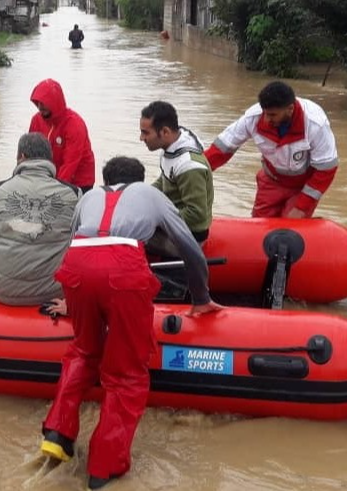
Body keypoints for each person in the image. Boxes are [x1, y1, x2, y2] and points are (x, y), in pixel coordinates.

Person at [39, 156, 221, 490]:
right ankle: (104, 467)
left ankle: (57, 432)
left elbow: (73, 246)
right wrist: (200, 297)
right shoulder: (149, 195)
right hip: (123, 268)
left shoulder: (88, 196)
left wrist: (71, 297)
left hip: (77, 268)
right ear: (139, 180)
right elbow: (188, 246)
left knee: (82, 349)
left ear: (106, 179)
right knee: (126, 373)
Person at [0, 132, 80, 306]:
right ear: (49, 159)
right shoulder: (73, 193)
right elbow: (78, 242)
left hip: (0, 288)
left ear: (21, 157)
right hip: (53, 291)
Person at [204, 81, 339, 218]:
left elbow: (326, 169)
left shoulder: (315, 123)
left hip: (302, 187)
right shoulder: (253, 118)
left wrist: (302, 206)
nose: (267, 119)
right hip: (271, 181)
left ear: (290, 109)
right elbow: (222, 149)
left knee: (289, 230)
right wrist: (194, 169)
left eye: (273, 115)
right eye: (265, 113)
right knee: (259, 225)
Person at [139, 101, 214, 242]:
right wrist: (142, 196)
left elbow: (196, 214)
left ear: (165, 132)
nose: (141, 138)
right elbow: (164, 181)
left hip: (190, 234)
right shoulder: (169, 149)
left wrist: (156, 219)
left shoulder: (189, 166)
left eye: (145, 133)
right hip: (176, 221)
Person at [28, 79, 96, 192]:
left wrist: (54, 189)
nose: (40, 107)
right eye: (37, 102)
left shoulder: (74, 124)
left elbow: (70, 163)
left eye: (43, 103)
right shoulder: (36, 120)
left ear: (54, 102)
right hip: (50, 178)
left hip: (80, 181)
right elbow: (30, 154)